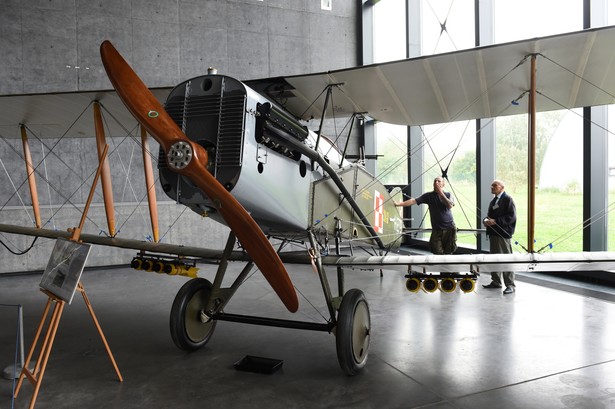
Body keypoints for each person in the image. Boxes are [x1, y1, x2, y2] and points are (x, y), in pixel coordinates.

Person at [395, 177, 457, 255]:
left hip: (449, 227)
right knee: (436, 250)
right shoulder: (428, 196)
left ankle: (447, 265)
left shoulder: (448, 194)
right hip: (437, 229)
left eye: (439, 181)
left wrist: (441, 193)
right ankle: (439, 265)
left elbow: (450, 205)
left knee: (449, 250)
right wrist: (399, 204)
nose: (436, 182)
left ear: (443, 184)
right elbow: (414, 201)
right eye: (435, 181)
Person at [482, 179, 517, 294]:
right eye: (491, 185)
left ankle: (510, 285)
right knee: (494, 259)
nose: (492, 187)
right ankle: (496, 282)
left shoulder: (507, 199)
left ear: (502, 187)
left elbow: (511, 217)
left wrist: (495, 221)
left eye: (495, 185)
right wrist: (486, 221)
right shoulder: (494, 201)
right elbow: (488, 216)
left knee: (506, 259)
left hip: (503, 235)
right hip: (493, 234)